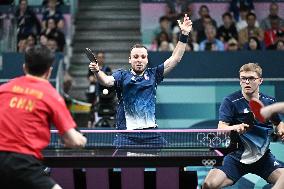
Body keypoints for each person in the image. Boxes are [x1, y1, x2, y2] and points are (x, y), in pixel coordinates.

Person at [89, 14, 192, 146]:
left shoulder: (154, 74)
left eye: (143, 56)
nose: (139, 59)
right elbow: (106, 81)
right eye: (135, 56)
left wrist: (184, 34)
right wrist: (97, 71)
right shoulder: (122, 75)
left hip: (151, 135)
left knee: (168, 160)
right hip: (126, 135)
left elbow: (175, 59)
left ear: (147, 60)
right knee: (120, 164)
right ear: (130, 60)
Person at [0, 46, 87, 189]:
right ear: (49, 71)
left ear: (24, 67)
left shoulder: (3, 89)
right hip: (22, 164)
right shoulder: (51, 95)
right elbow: (74, 141)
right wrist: (82, 140)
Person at [202, 63, 284, 189]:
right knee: (208, 185)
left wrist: (281, 130)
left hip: (263, 158)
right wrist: (236, 128)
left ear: (260, 80)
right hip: (235, 157)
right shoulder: (230, 101)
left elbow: (278, 123)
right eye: (243, 78)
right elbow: (221, 128)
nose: (247, 82)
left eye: (251, 78)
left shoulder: (269, 102)